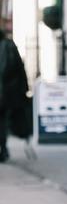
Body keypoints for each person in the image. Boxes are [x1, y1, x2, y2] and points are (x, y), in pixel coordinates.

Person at [0, 30, 29, 162]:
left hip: (4, 93)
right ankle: (3, 149)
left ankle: (3, 149)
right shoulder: (9, 46)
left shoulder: (7, 47)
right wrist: (23, 90)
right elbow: (20, 69)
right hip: (7, 94)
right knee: (3, 121)